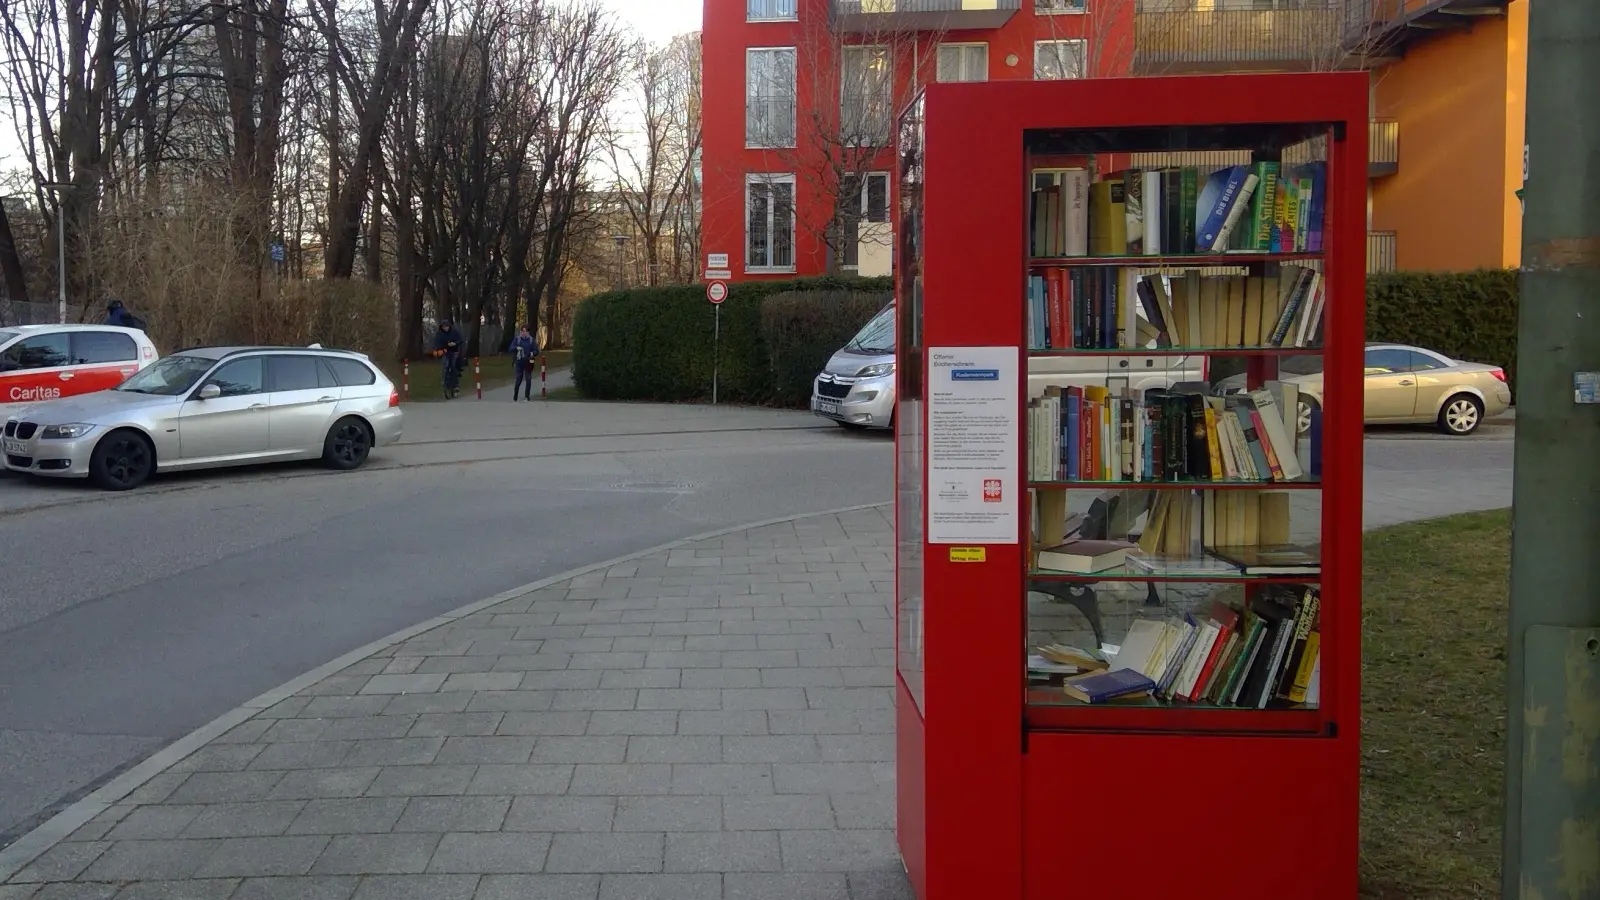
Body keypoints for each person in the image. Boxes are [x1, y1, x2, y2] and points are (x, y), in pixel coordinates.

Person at [431, 319, 466, 397]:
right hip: (444, 352)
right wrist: (442, 347)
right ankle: (444, 383)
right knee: (445, 367)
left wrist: (455, 343)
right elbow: (437, 344)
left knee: (454, 366)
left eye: (446, 326)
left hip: (454, 352)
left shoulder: (454, 332)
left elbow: (460, 340)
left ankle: (455, 385)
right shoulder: (439, 334)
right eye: (444, 327)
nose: (445, 328)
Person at [509, 324, 539, 402]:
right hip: (519, 362)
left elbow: (536, 351)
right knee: (518, 379)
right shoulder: (517, 339)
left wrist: (531, 353)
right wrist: (516, 348)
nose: (523, 333)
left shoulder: (531, 340)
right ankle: (515, 396)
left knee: (528, 379)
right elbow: (510, 348)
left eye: (525, 331)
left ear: (528, 332)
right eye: (522, 331)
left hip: (528, 362)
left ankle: (527, 396)